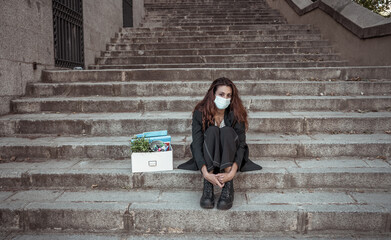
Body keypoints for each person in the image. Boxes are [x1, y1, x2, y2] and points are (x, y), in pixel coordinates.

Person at [178, 77, 262, 210]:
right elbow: (197, 144)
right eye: (221, 94)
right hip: (209, 155)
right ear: (213, 94)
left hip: (229, 157)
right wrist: (205, 173)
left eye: (229, 95)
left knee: (227, 131)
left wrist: (231, 173)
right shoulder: (200, 113)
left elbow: (240, 145)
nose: (225, 98)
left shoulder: (236, 113)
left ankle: (228, 186)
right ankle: (208, 186)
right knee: (211, 131)